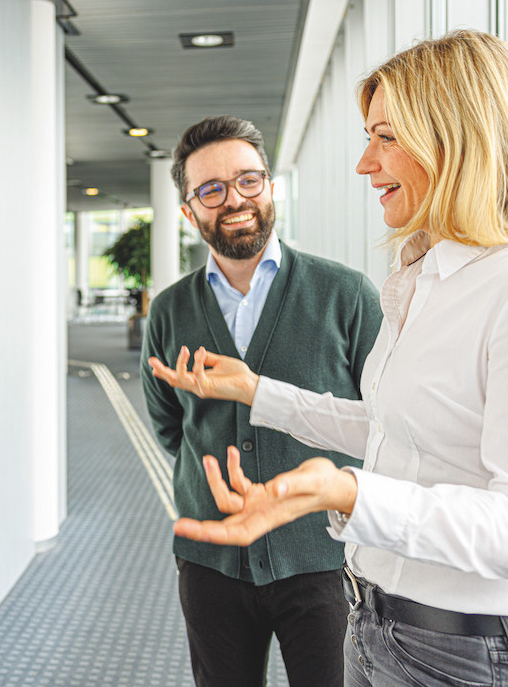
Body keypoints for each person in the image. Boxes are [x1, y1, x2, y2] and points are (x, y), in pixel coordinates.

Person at [148, 30, 508, 687]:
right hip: (381, 625)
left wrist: (349, 491)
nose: (364, 164)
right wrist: (258, 392)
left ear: (456, 139)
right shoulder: (430, 276)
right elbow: (391, 427)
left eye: (385, 137)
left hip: (474, 655)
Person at [140, 115, 382, 687]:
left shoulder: (345, 294)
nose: (234, 200)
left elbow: (386, 422)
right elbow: (170, 424)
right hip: (212, 562)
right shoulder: (170, 310)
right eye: (211, 190)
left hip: (324, 558)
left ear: (270, 187)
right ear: (189, 211)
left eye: (248, 180)